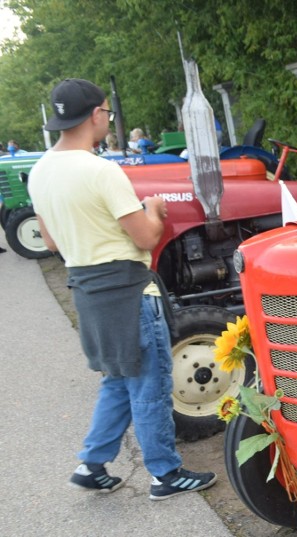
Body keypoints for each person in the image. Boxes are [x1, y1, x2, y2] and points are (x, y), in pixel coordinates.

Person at [27, 78, 217, 501]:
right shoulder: (100, 170)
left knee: (117, 380)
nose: (107, 121)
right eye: (107, 114)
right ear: (95, 114)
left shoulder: (40, 172)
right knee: (150, 383)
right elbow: (147, 239)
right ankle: (165, 474)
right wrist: (153, 209)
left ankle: (92, 463)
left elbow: (52, 242)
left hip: (87, 290)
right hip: (127, 290)